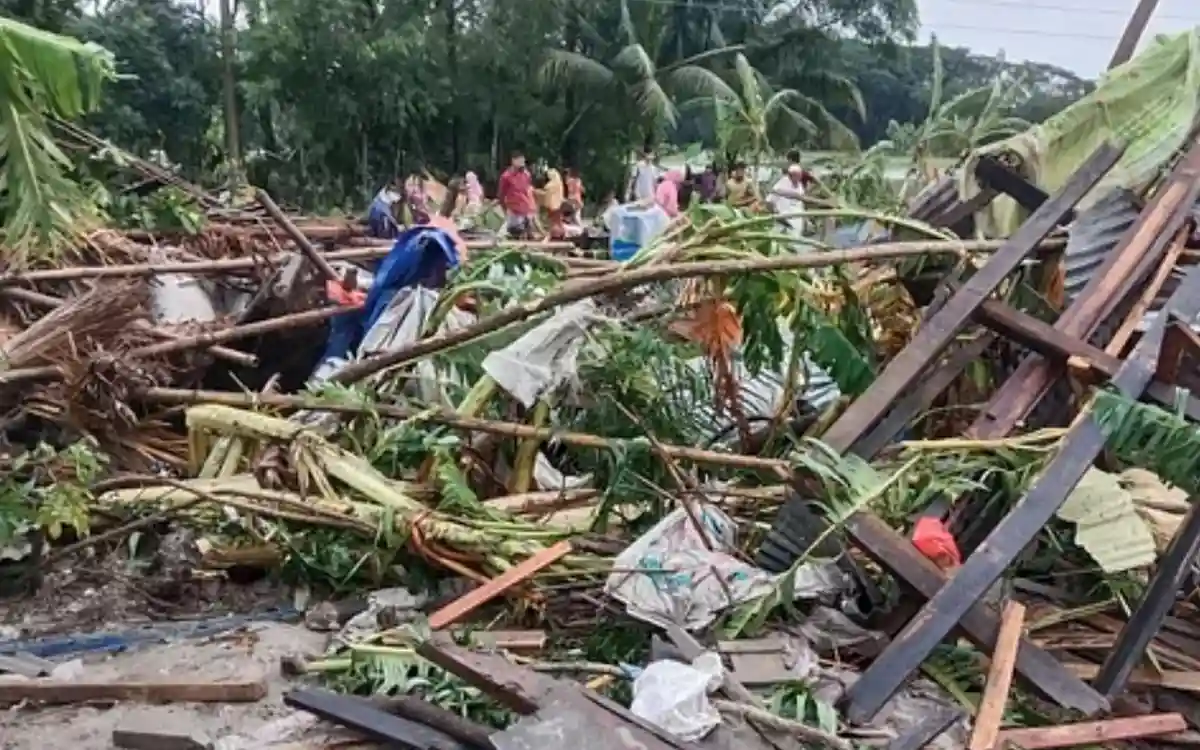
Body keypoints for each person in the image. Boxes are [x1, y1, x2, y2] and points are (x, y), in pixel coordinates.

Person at [498, 151, 537, 239]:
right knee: (511, 232)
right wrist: (505, 208)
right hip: (514, 209)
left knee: (530, 234)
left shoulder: (526, 174)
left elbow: (528, 191)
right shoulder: (506, 176)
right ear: (513, 161)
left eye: (523, 162)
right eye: (520, 161)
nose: (522, 164)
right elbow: (501, 194)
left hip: (526, 208)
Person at [767, 163, 808, 242]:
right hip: (783, 221)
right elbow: (769, 201)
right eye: (796, 175)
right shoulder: (781, 184)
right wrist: (776, 214)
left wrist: (805, 218)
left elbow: (802, 202)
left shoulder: (799, 186)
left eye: (800, 175)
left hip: (797, 221)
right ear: (790, 175)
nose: (799, 177)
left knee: (795, 243)